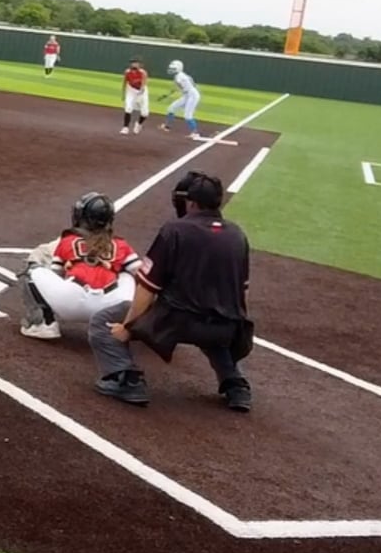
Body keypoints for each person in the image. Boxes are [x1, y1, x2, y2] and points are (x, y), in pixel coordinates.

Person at [87, 170, 255, 411]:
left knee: (101, 321)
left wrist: (128, 327)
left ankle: (125, 379)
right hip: (224, 329)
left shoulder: (175, 230)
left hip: (175, 323)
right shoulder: (238, 235)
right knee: (217, 325)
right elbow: (242, 294)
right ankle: (236, 385)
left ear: (191, 203)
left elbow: (147, 288)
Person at [15, 192, 143, 340]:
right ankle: (124, 327)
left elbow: (56, 273)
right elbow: (144, 277)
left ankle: (43, 324)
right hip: (111, 307)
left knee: (31, 269)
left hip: (70, 304)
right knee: (128, 274)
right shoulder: (121, 244)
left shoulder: (67, 240)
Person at [160, 59, 202, 140]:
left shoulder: (180, 77)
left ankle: (195, 133)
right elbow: (190, 83)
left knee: (188, 116)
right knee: (171, 108)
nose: (171, 70)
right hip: (187, 95)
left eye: (173, 69)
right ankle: (167, 126)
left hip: (192, 95)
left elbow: (184, 86)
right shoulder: (180, 75)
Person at [121, 58, 149, 134]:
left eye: (136, 63)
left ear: (139, 64)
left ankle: (138, 124)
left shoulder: (143, 72)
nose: (134, 64)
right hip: (131, 90)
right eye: (132, 63)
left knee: (145, 113)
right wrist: (123, 94)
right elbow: (124, 83)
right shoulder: (127, 72)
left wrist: (140, 95)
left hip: (142, 91)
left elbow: (143, 84)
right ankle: (125, 127)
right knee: (128, 108)